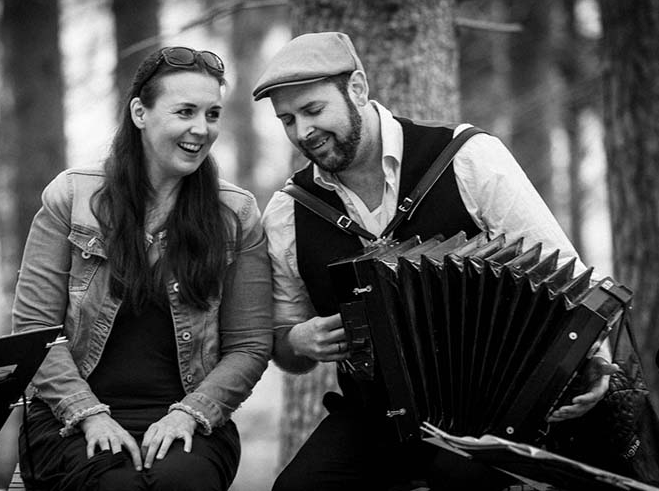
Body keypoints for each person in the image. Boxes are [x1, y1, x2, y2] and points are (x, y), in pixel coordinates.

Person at [252, 31, 617, 491]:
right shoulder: (290, 211)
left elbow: (565, 278)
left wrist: (592, 360)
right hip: (375, 416)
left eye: (313, 110)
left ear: (358, 89)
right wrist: (299, 342)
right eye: (287, 120)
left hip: (496, 409)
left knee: (460, 478)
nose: (302, 132)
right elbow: (286, 347)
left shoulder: (466, 158)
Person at [12, 46, 273, 491]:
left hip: (191, 417)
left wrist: (192, 412)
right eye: (185, 111)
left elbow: (249, 344)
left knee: (179, 484)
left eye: (212, 114)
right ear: (139, 112)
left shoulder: (236, 213)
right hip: (68, 415)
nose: (201, 129)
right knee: (116, 485)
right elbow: (34, 328)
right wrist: (88, 415)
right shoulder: (72, 197)